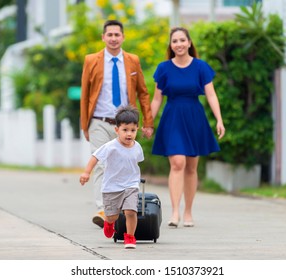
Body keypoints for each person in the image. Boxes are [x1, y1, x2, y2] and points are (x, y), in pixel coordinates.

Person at [80, 19, 154, 228]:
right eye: (109, 35)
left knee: (123, 166)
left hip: (126, 124)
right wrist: (85, 124)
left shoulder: (132, 60)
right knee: (102, 164)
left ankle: (122, 208)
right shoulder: (91, 60)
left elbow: (143, 92)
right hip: (99, 121)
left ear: (123, 37)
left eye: (117, 35)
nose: (113, 38)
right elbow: (85, 94)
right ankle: (103, 209)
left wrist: (147, 122)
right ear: (103, 37)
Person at [150, 27, 225, 228]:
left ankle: (188, 212)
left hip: (194, 117)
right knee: (177, 163)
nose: (179, 44)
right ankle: (174, 213)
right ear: (171, 45)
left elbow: (211, 95)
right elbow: (157, 99)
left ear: (189, 43)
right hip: (172, 117)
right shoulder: (164, 68)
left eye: (183, 40)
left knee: (191, 167)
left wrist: (219, 119)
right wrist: (148, 122)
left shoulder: (201, 67)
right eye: (175, 41)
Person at [79, 105, 143, 249]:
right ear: (117, 130)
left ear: (137, 129)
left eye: (132, 130)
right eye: (125, 130)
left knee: (131, 211)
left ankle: (130, 237)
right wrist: (86, 172)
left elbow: (135, 163)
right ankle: (109, 223)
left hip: (131, 185)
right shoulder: (110, 146)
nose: (129, 134)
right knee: (112, 216)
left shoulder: (137, 147)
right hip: (112, 187)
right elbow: (95, 156)